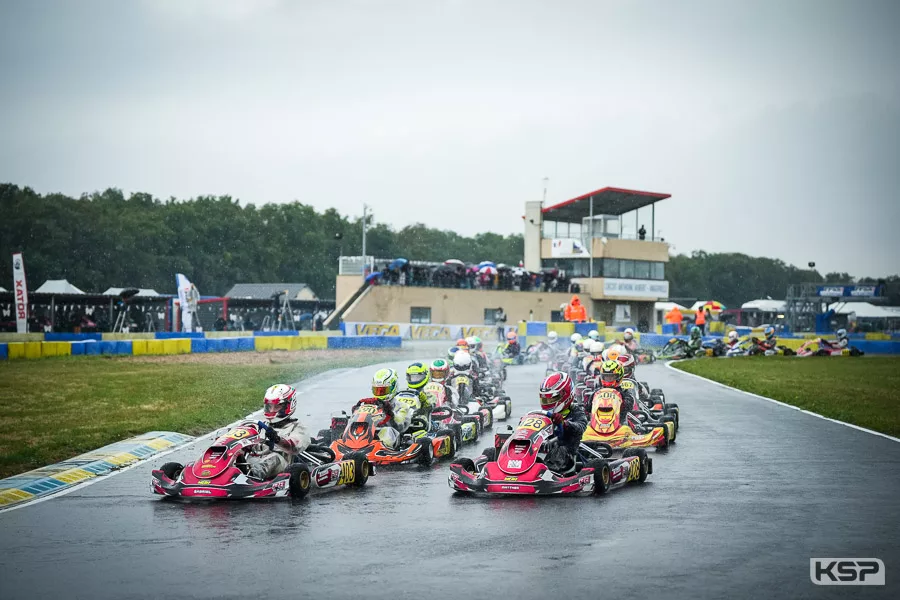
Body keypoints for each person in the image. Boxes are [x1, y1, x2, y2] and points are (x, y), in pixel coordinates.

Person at [245, 384, 311, 480]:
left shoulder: (298, 428)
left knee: (273, 458)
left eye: (277, 407)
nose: (272, 410)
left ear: (288, 406)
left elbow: (294, 447)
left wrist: (277, 439)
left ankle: (251, 477)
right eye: (269, 407)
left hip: (283, 463)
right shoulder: (261, 425)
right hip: (257, 458)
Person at [538, 372, 588, 474]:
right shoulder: (543, 414)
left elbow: (581, 427)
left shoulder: (575, 411)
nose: (547, 402)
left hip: (567, 452)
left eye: (551, 399)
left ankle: (548, 472)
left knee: (559, 449)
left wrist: (564, 423)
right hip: (544, 447)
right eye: (545, 399)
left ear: (566, 395)